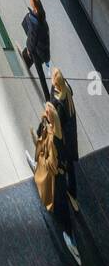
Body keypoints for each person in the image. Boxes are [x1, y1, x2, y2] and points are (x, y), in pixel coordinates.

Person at [26, 101, 80, 266]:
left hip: (56, 176)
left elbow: (55, 161)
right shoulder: (51, 130)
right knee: (57, 199)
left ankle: (71, 238)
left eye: (48, 116)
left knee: (61, 205)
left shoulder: (56, 137)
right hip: (50, 171)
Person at [50, 68, 79, 211]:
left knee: (64, 164)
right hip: (72, 135)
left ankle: (60, 190)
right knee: (71, 165)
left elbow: (57, 123)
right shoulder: (67, 89)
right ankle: (73, 192)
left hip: (66, 140)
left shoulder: (60, 102)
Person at [21, 0, 51, 100]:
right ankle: (26, 62)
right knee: (25, 55)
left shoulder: (36, 22)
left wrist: (29, 49)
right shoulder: (42, 19)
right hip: (41, 51)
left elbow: (32, 40)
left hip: (37, 52)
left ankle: (48, 98)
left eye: (32, 2)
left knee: (40, 74)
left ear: (35, 6)